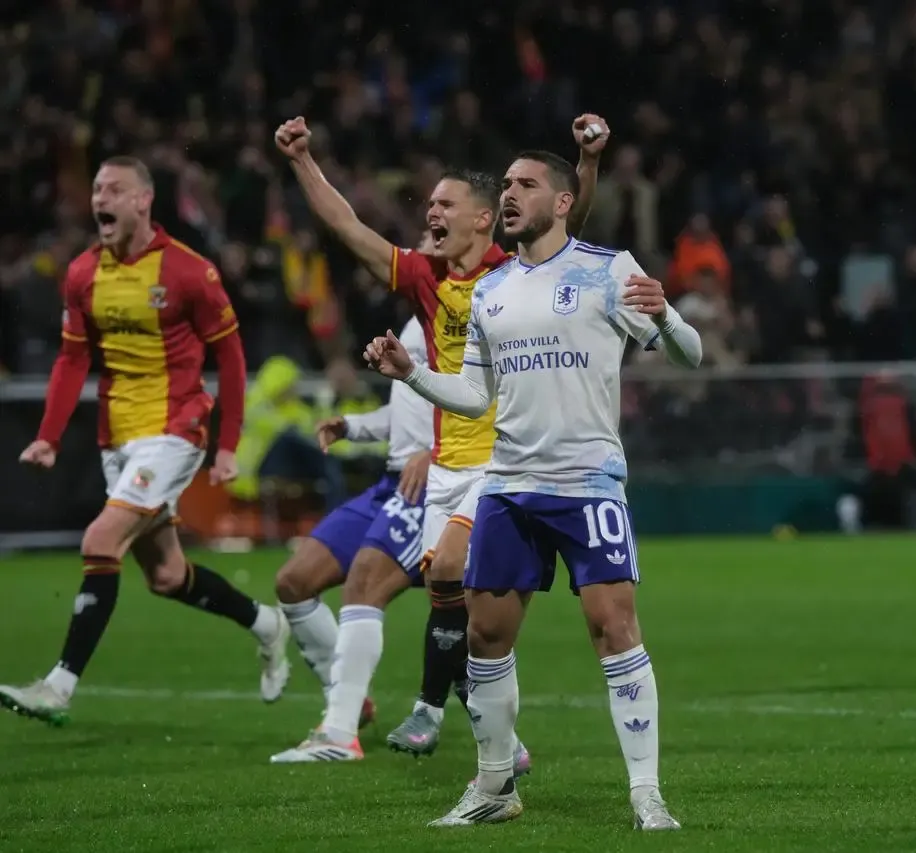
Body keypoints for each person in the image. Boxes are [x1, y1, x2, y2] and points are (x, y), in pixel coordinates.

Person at [365, 150, 702, 830]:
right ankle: (494, 786)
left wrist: (666, 317)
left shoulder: (609, 269)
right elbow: (472, 395)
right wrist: (411, 373)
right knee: (485, 634)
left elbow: (689, 354)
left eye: (525, 185)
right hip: (509, 485)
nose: (511, 194)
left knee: (614, 628)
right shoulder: (492, 290)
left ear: (560, 201)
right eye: (507, 185)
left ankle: (646, 792)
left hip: (587, 484)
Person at [268, 114, 608, 762]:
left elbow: (573, 226)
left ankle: (431, 722)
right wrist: (303, 161)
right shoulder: (428, 279)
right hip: (450, 464)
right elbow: (348, 230)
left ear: (484, 219)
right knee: (461, 610)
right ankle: (495, 735)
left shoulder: (517, 271)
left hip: (508, 461)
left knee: (447, 573)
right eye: (428, 204)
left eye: (445, 203)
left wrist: (587, 164)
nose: (431, 212)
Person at [1, 156, 290, 726]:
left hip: (176, 430)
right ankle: (266, 623)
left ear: (142, 201)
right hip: (119, 439)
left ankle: (58, 686)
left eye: (113, 189)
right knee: (166, 578)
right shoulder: (84, 273)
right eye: (95, 189)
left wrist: (227, 443)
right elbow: (72, 357)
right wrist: (48, 437)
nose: (99, 198)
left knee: (99, 540)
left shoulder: (189, 272)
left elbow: (231, 358)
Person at [269, 317, 435, 741]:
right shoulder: (421, 316)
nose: (424, 244)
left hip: (437, 485)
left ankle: (338, 733)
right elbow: (408, 411)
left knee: (371, 588)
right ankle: (348, 700)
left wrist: (438, 452)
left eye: (429, 241)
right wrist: (352, 426)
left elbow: (496, 402)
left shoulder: (480, 304)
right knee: (293, 581)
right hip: (391, 482)